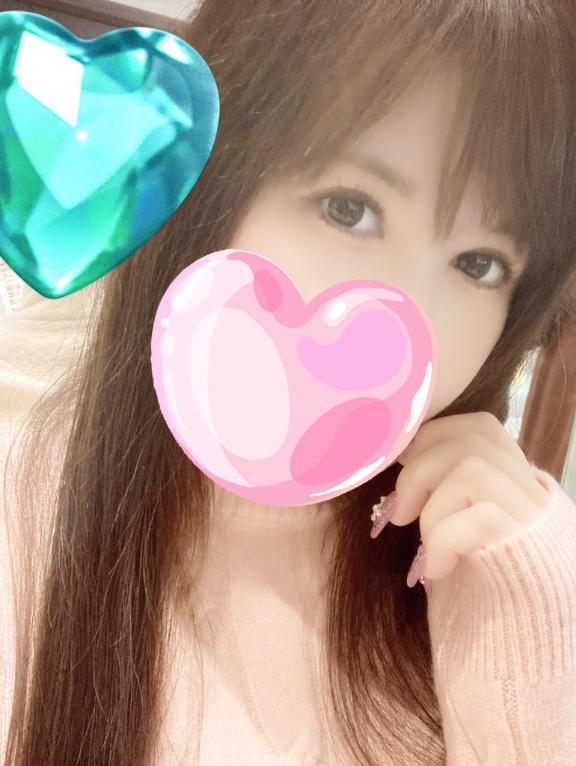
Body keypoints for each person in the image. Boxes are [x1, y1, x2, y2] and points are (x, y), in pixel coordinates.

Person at [1, 1, 576, 764]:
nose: (409, 326)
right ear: (212, 190)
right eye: (350, 208)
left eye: (480, 264)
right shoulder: (31, 512)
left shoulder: (504, 558)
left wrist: (527, 619)